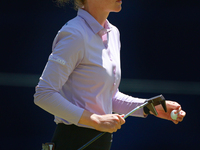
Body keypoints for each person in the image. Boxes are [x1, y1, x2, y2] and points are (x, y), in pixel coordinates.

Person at [34, 0, 186, 149]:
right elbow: (44, 94)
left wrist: (148, 107)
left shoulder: (113, 33)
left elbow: (109, 97)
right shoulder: (74, 33)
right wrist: (95, 119)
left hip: (101, 143)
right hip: (72, 142)